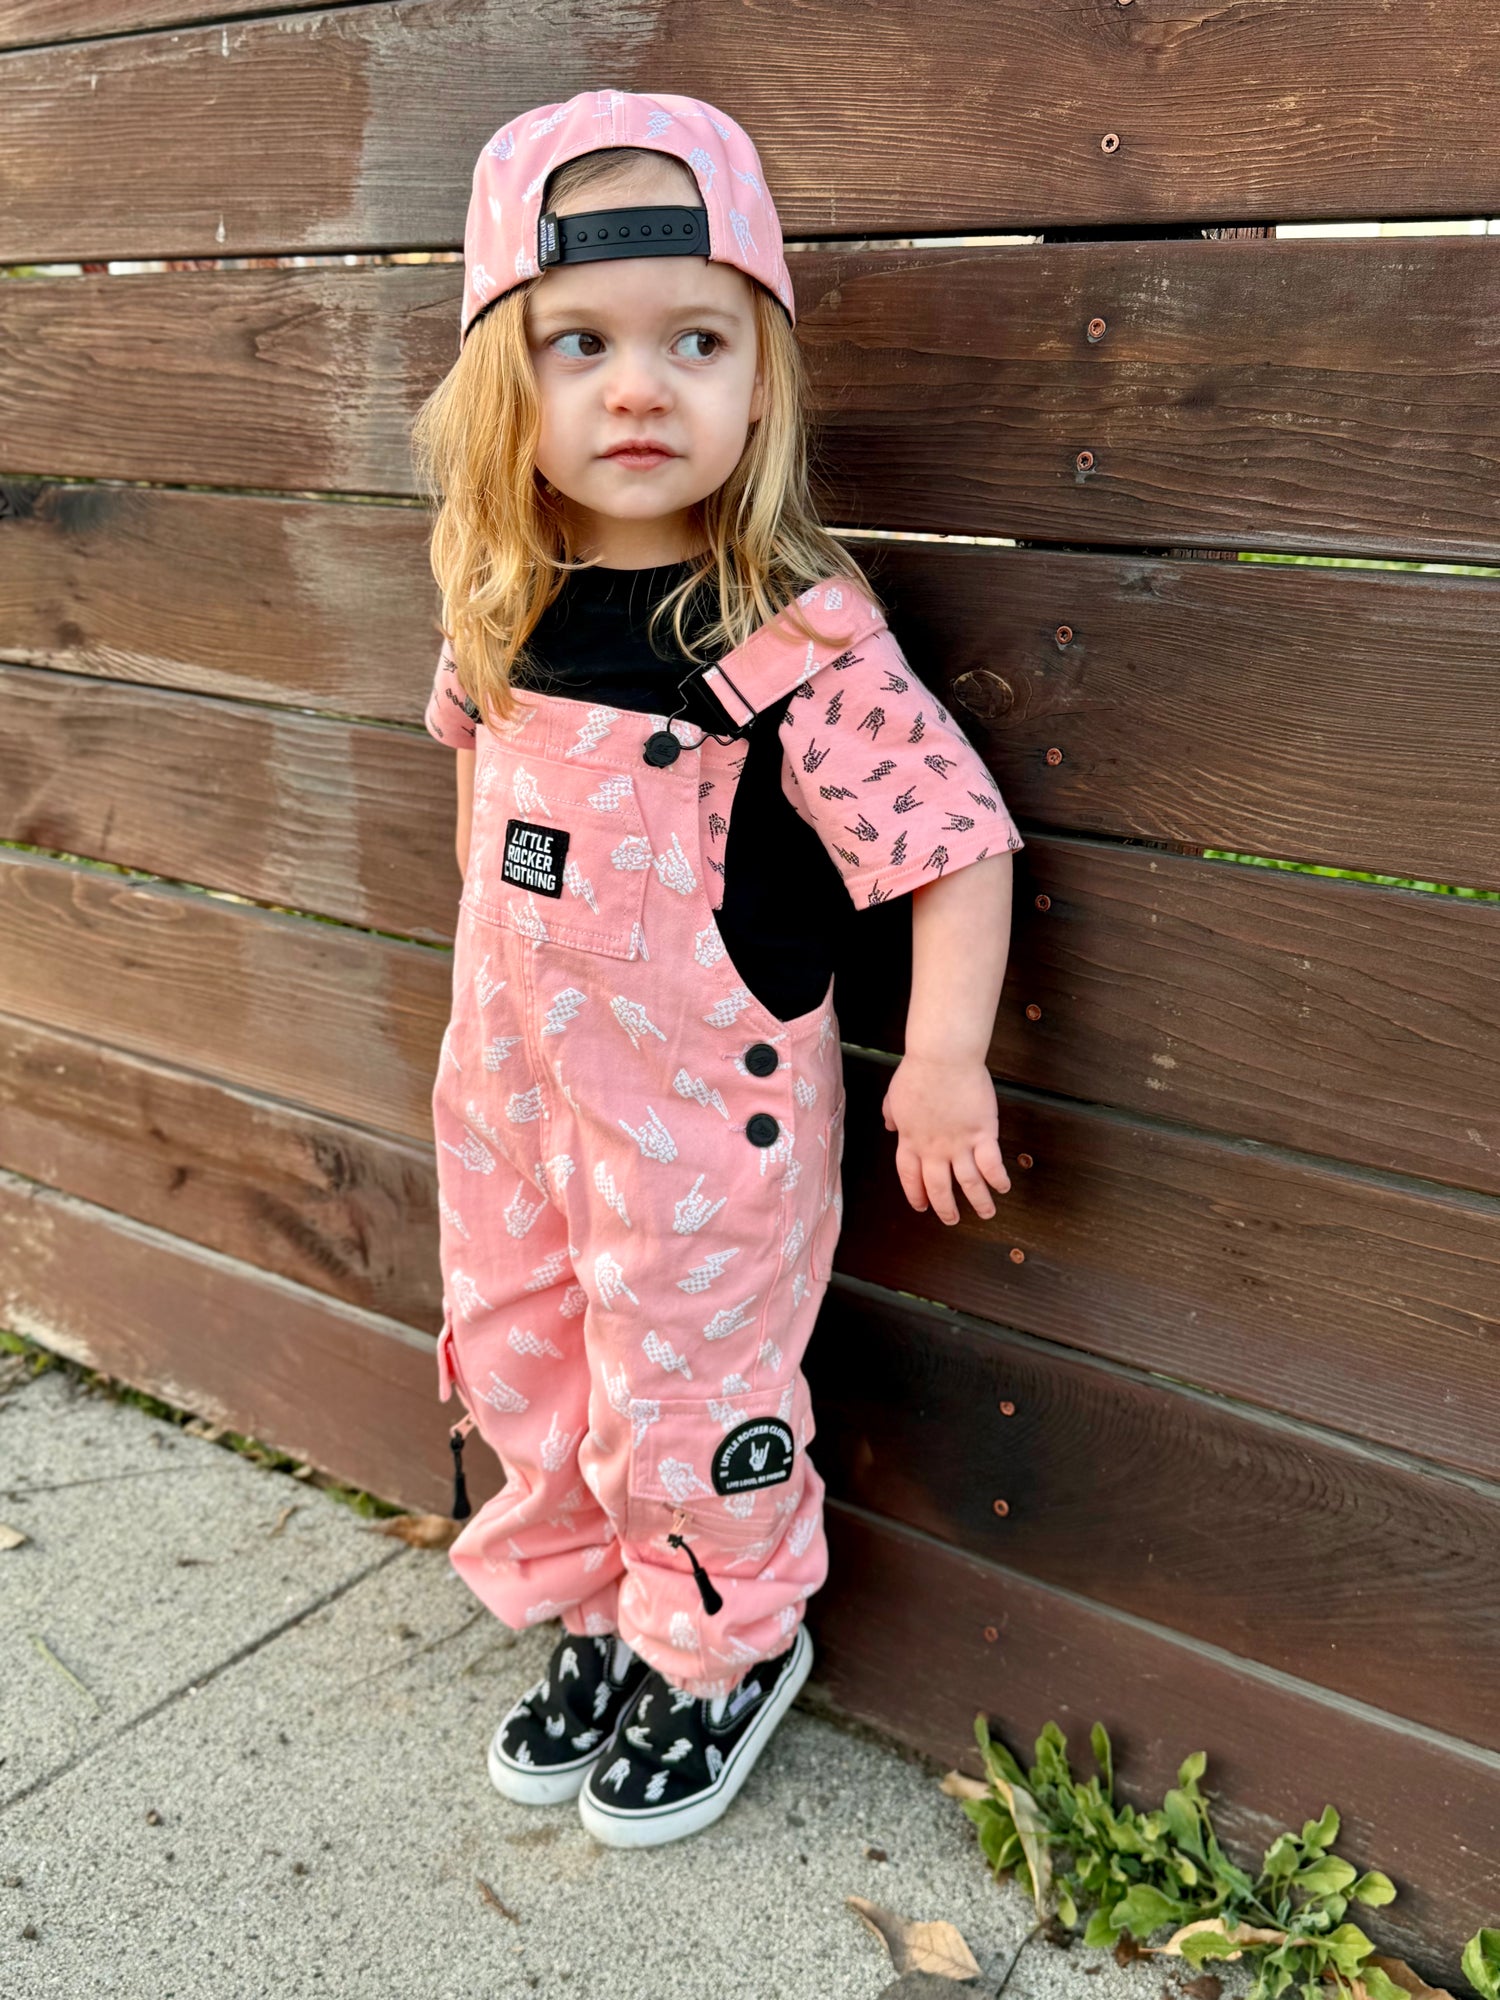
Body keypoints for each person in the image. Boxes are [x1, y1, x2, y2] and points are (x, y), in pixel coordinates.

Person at [411, 88, 1024, 1850]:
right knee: (528, 1347)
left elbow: (952, 838)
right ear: (504, 383)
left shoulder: (788, 638)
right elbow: (479, 812)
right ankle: (597, 1604)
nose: (638, 389)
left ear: (761, 380)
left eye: (695, 340)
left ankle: (720, 1644)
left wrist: (943, 1060)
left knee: (690, 1384)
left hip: (702, 1128)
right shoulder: (500, 605)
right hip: (517, 1095)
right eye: (580, 344)